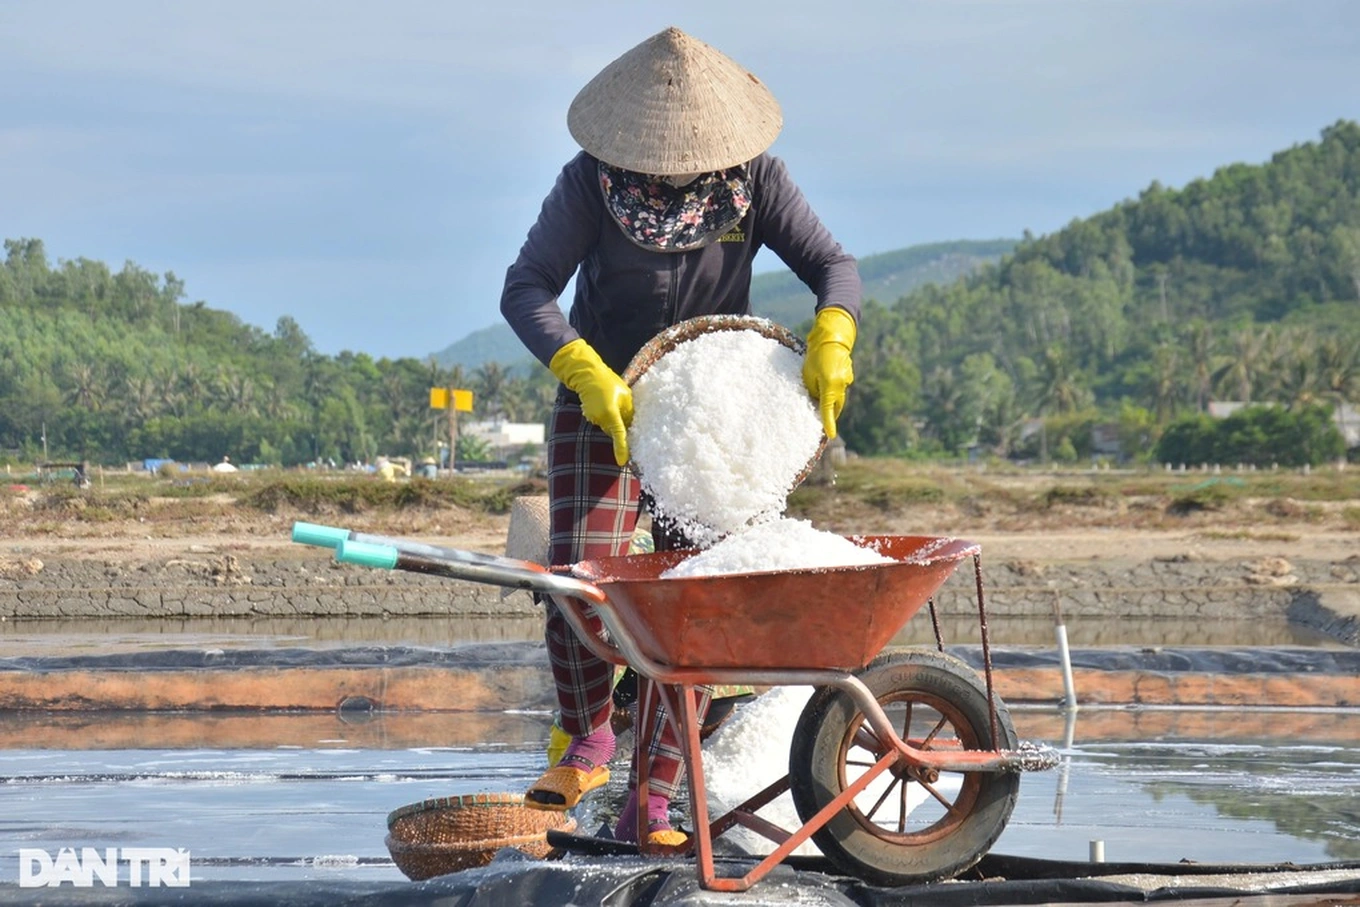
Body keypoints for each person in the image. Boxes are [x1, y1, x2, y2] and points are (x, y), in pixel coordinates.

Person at [499, 25, 861, 847]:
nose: (667, 174)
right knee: (576, 570)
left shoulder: (757, 183)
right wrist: (583, 368)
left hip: (703, 411)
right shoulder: (591, 184)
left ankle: (653, 803)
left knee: (691, 603)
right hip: (602, 397)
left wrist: (835, 330)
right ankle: (588, 734)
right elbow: (526, 288)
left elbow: (833, 266)